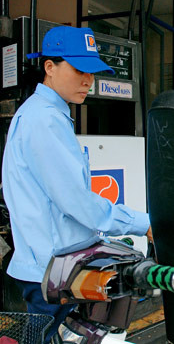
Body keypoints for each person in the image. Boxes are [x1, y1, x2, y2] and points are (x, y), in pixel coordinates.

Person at [2, 26, 152, 342]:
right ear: (50, 67)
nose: (88, 80)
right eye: (79, 69)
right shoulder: (45, 120)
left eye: (92, 72)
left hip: (52, 268)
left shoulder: (42, 114)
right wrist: (144, 224)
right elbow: (78, 204)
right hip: (54, 273)